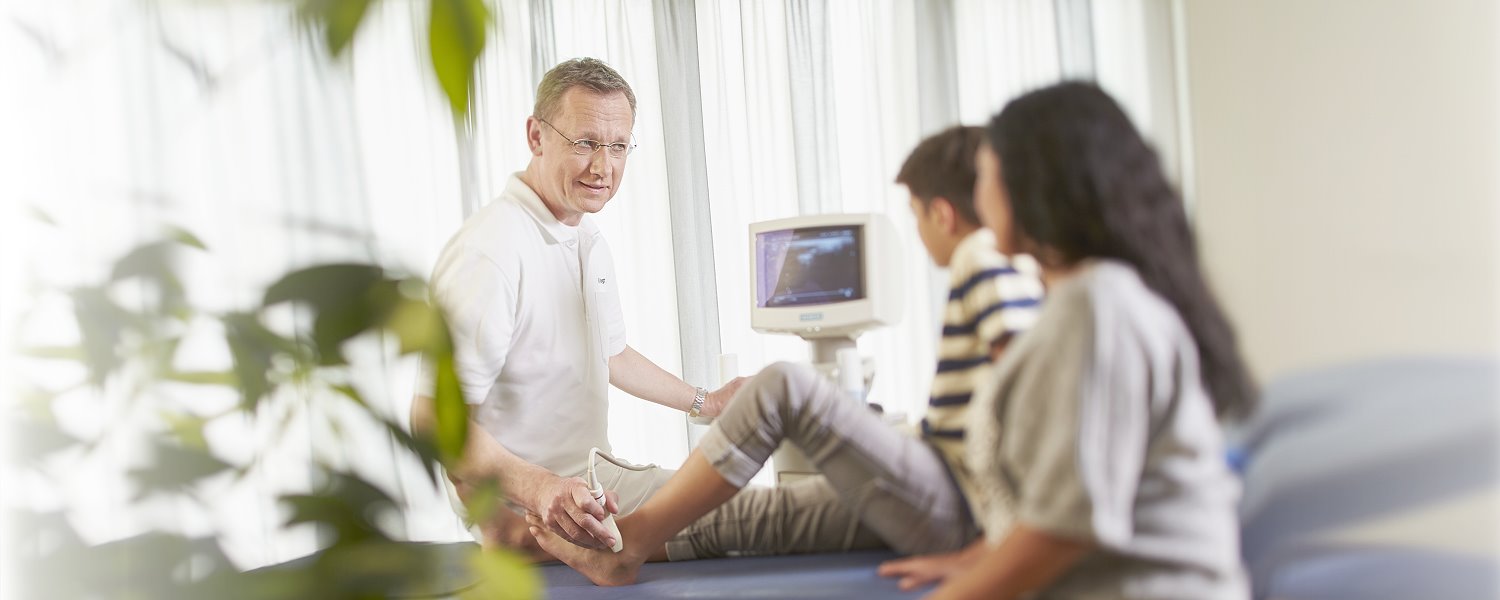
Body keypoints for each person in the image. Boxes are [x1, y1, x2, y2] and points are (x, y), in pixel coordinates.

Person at [523, 125, 1046, 579]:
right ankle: (611, 543)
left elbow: (1032, 411)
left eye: (915, 216)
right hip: (946, 491)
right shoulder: (1010, 266)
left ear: (944, 213)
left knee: (782, 387)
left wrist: (994, 545)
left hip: (957, 503)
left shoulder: (984, 257)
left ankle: (627, 546)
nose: (919, 230)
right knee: (761, 514)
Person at [889, 82, 1256, 599]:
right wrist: (978, 560)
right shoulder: (1094, 299)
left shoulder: (1096, 305)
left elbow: (1064, 527)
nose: (977, 195)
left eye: (987, 175)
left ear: (1031, 186)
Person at [409, 58, 745, 557]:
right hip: (539, 503)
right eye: (584, 142)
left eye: (617, 146)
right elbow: (434, 420)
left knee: (756, 505)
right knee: (761, 521)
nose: (602, 167)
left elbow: (611, 353)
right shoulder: (493, 251)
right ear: (536, 136)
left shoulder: (581, 233)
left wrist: (707, 402)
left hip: (587, 485)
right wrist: (532, 497)